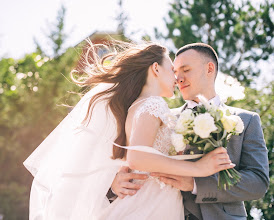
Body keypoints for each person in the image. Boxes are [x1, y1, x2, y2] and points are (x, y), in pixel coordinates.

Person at [23, 41, 235, 219]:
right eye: (172, 70)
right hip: (150, 204)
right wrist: (199, 169)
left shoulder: (136, 106)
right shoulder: (154, 104)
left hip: (153, 201)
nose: (177, 78)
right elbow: (137, 158)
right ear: (155, 69)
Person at [111, 43, 269, 220]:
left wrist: (196, 184)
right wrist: (113, 185)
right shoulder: (163, 117)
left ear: (209, 69)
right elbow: (130, 157)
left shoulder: (246, 120)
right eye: (175, 72)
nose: (178, 78)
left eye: (185, 70)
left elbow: (258, 182)